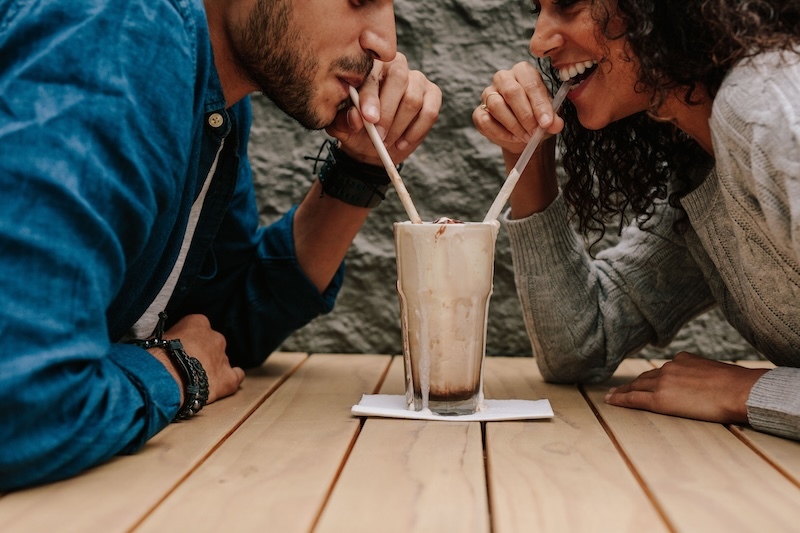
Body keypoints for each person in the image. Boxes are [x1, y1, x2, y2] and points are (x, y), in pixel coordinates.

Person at [0, 0, 441, 490]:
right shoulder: (121, 28)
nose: (385, 44)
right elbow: (20, 398)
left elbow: (221, 328)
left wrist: (361, 167)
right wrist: (177, 371)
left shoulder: (218, 104)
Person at [473, 0, 800, 440]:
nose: (538, 41)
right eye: (539, 10)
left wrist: (748, 391)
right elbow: (583, 342)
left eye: (568, 4)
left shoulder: (769, 107)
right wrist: (526, 156)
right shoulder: (702, 171)